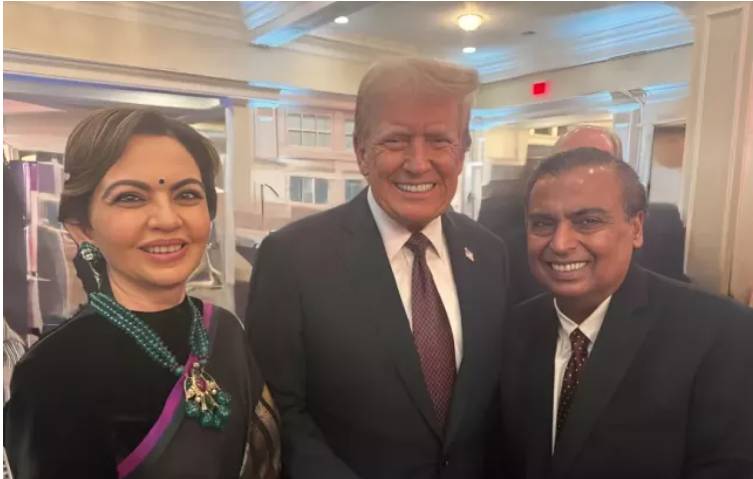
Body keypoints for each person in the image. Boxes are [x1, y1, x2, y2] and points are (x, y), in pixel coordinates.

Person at [246, 57, 509, 478]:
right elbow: (280, 410)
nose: (418, 163)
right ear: (360, 151)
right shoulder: (292, 258)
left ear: (462, 152)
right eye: (396, 140)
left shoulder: (490, 253)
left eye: (439, 140)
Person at [4, 108, 281, 479]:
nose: (167, 219)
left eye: (186, 194)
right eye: (131, 198)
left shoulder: (226, 333)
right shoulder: (55, 372)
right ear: (82, 227)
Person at [498, 147, 753, 479]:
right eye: (543, 223)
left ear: (636, 228)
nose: (560, 243)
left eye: (588, 221)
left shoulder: (719, 332)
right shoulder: (512, 329)